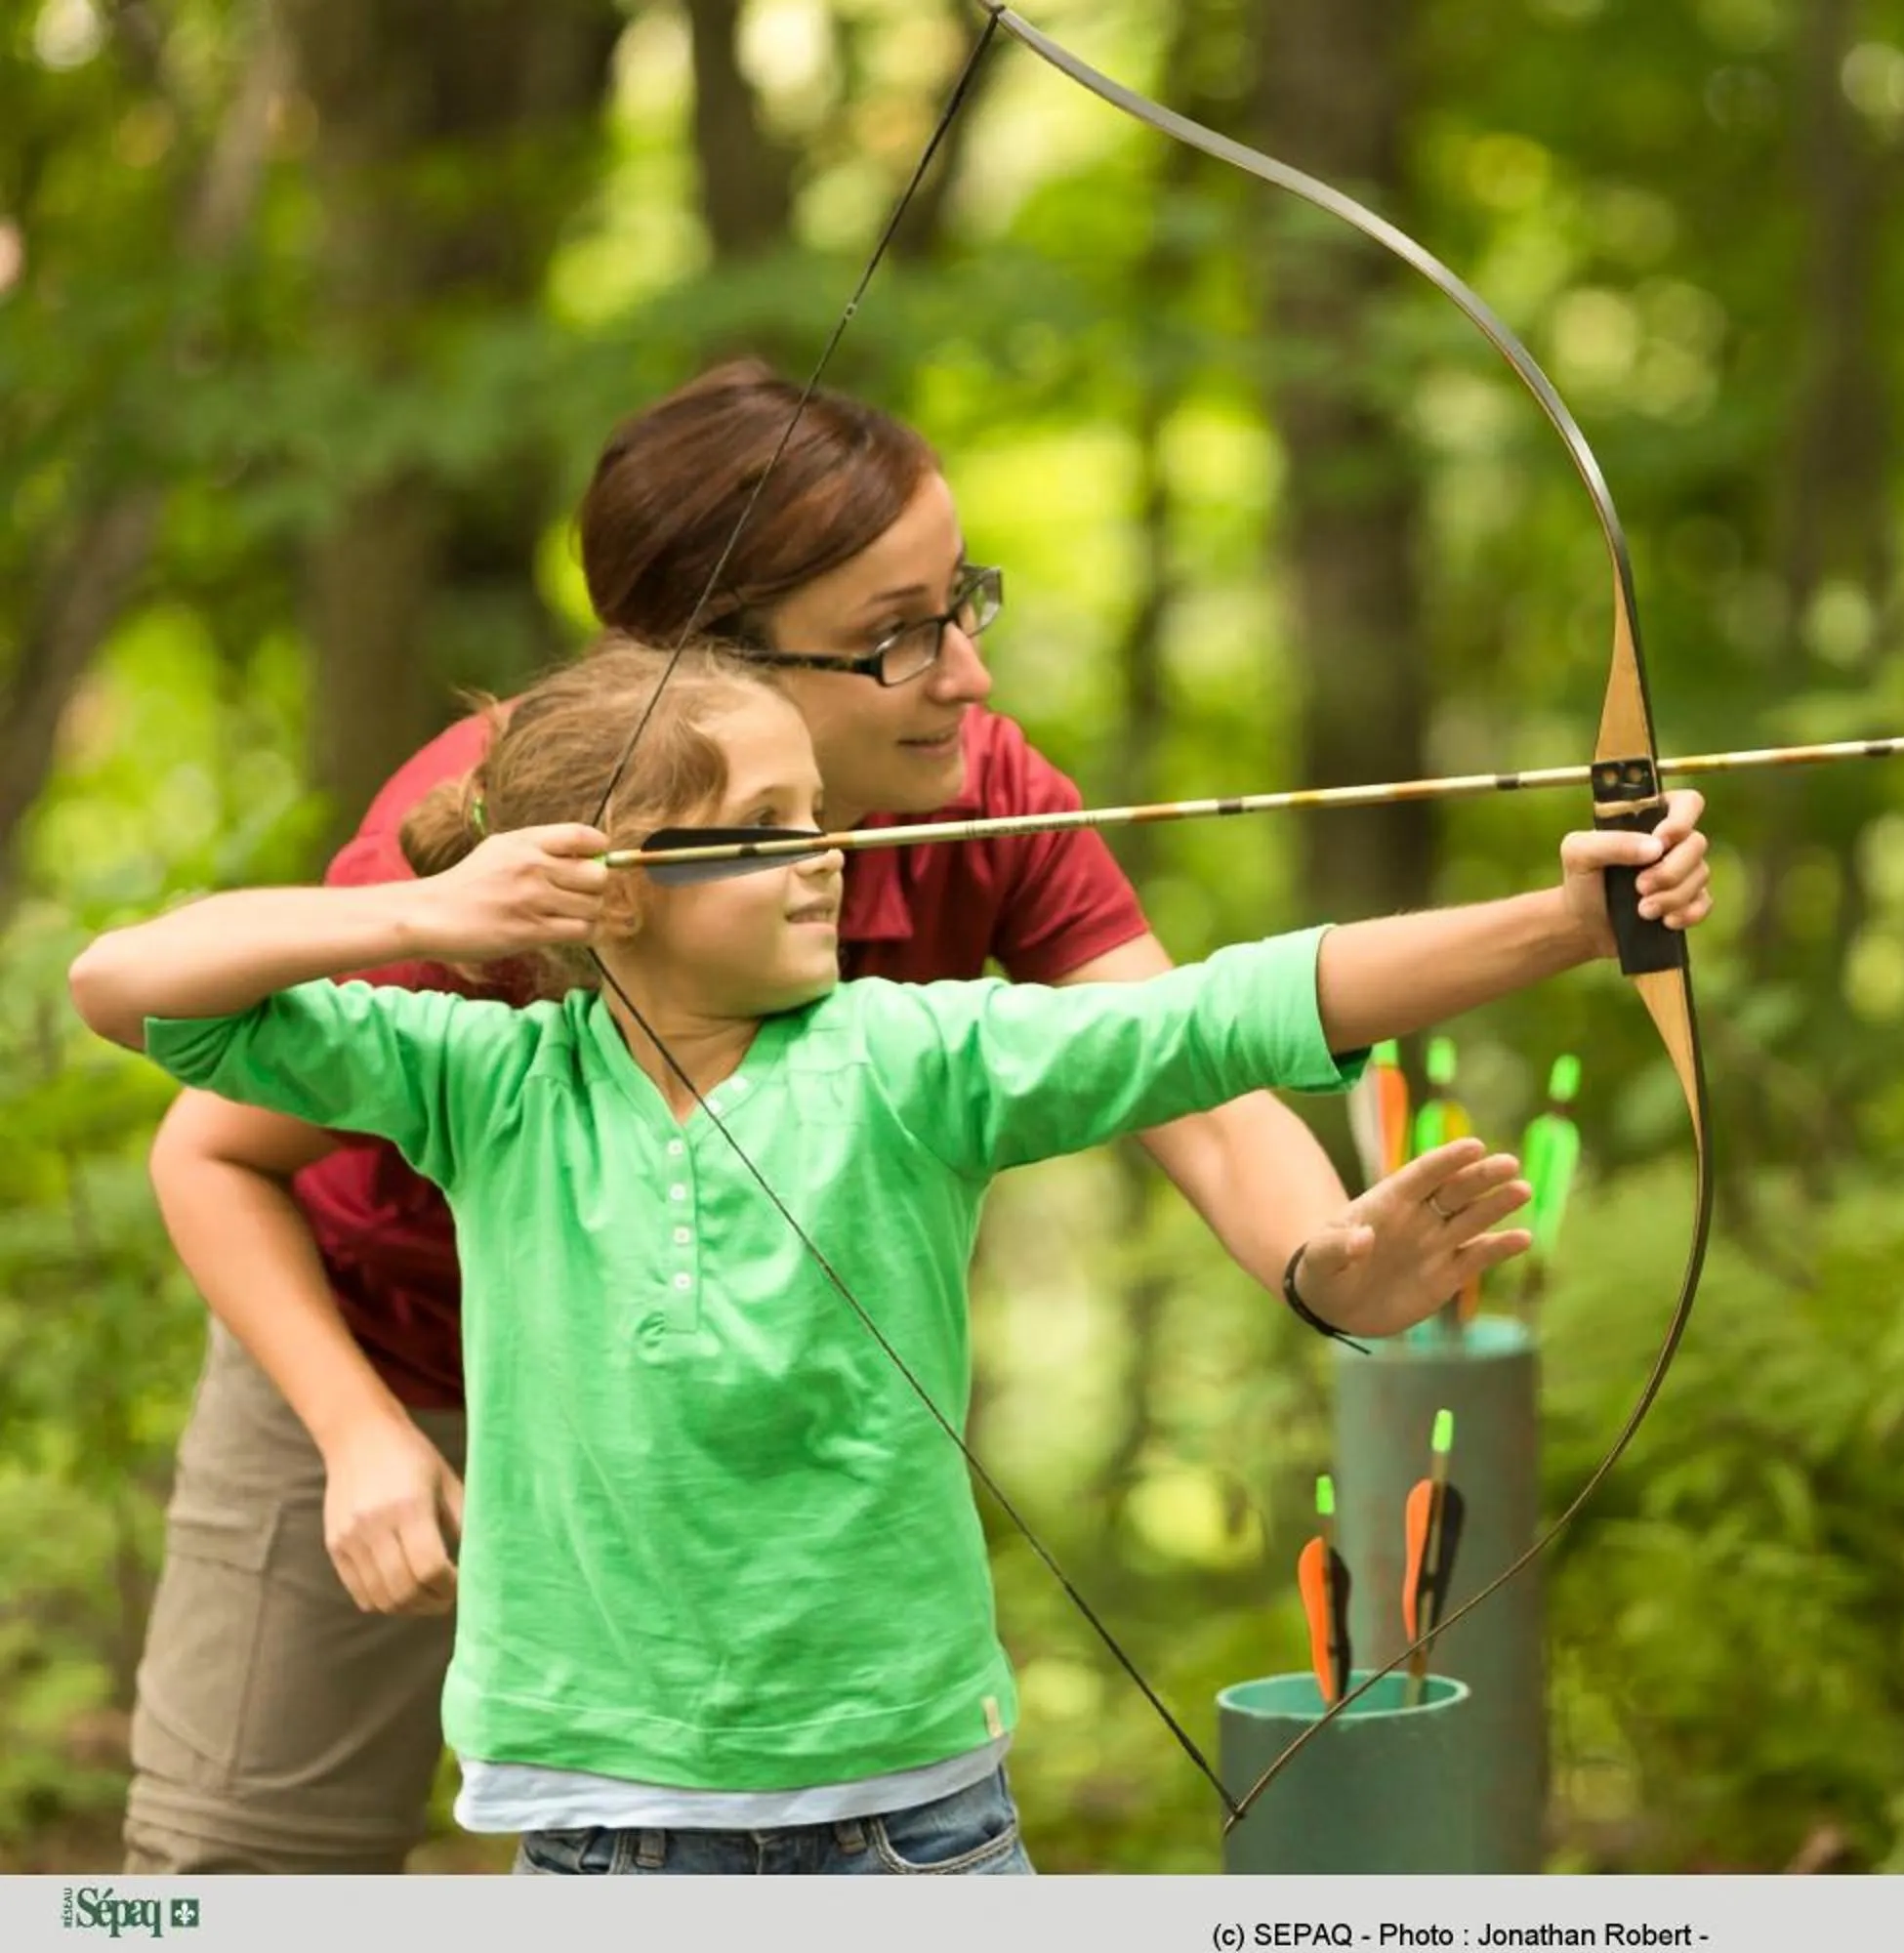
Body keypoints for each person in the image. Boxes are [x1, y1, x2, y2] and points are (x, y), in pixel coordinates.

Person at [119, 358, 1717, 1874]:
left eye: (964, 602)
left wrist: (1329, 1260)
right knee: (245, 1871)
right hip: (380, 1353)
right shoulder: (522, 836)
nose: (969, 672)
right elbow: (207, 1138)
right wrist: (359, 1436)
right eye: (896, 636)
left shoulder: (976, 804)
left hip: (772, 1480)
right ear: (697, 667)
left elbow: (1192, 1050)